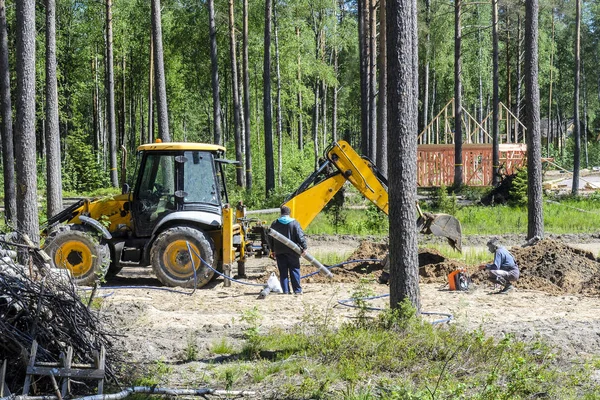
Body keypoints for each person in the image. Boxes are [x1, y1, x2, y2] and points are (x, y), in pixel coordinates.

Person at [268, 206, 308, 295]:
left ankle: (285, 290)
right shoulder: (294, 223)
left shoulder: (274, 223)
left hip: (279, 251)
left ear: (281, 213)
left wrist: (272, 250)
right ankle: (297, 290)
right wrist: (304, 247)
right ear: (289, 213)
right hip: (293, 251)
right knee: (294, 269)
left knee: (283, 271)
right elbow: (300, 236)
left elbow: (270, 238)